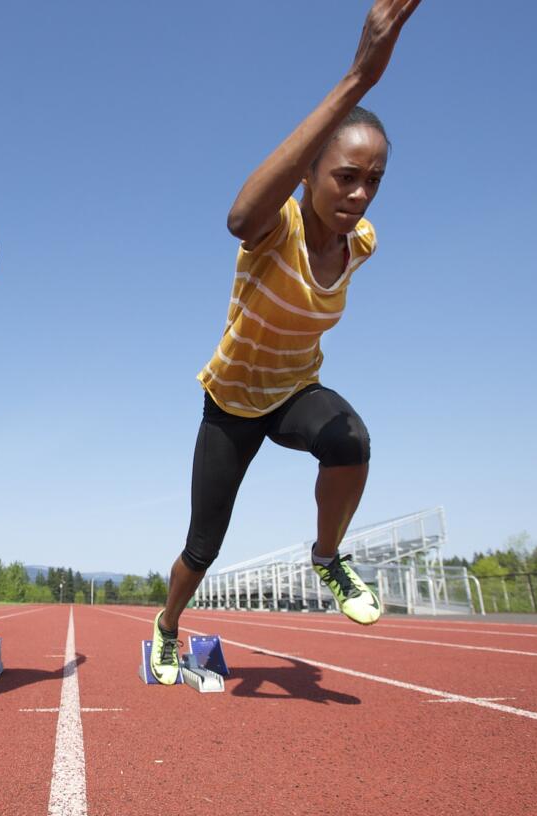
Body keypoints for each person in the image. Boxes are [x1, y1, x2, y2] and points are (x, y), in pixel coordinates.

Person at [150, 0, 421, 684]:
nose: (359, 194)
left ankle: (328, 556)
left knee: (351, 440)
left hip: (294, 390)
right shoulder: (279, 228)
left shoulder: (362, 244)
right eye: (344, 176)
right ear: (308, 175)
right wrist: (357, 78)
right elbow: (240, 214)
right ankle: (166, 624)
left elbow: (354, 229)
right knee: (202, 547)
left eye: (374, 181)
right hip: (232, 402)